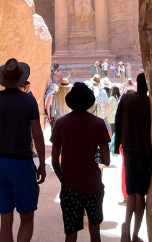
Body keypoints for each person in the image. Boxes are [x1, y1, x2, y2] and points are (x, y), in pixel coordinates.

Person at [0, 58, 46, 242]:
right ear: (21, 79)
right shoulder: (29, 102)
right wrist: (41, 163)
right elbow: (38, 135)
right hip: (22, 165)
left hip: (0, 164)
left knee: (5, 221)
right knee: (26, 218)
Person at [51, 82, 111, 242]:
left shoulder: (61, 124)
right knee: (95, 230)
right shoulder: (98, 124)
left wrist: (61, 177)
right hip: (93, 184)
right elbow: (106, 159)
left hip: (70, 185)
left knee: (71, 233)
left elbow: (55, 159)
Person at [115, 73, 152, 242]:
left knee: (130, 193)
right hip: (144, 153)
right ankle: (136, 234)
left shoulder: (125, 99)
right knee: (140, 195)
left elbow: (117, 120)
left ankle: (126, 225)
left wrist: (117, 145)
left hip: (128, 150)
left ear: (137, 84)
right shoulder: (149, 103)